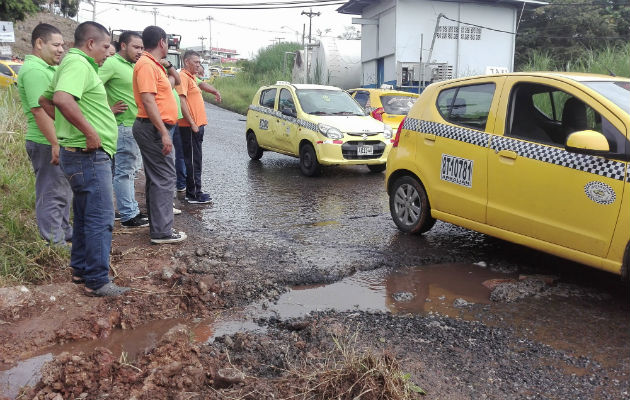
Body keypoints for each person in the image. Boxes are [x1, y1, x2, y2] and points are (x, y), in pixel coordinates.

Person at [39, 21, 129, 297]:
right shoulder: (78, 64)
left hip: (80, 155)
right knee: (101, 218)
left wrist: (69, 127)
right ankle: (97, 281)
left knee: (85, 216)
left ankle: (80, 269)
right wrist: (89, 133)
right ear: (91, 44)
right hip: (88, 156)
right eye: (105, 47)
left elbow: (46, 101)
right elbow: (62, 100)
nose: (107, 53)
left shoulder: (72, 64)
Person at [17, 23, 72, 246]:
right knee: (51, 192)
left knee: (62, 192)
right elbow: (39, 111)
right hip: (46, 141)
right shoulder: (35, 71)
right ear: (39, 44)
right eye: (56, 45)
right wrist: (55, 142)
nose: (61, 49)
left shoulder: (46, 69)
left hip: (54, 140)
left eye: (63, 45)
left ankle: (64, 234)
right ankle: (54, 242)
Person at [132, 26, 186, 244]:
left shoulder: (154, 66)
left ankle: (158, 226)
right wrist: (163, 132)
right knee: (164, 178)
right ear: (162, 42)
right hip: (154, 129)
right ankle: (162, 231)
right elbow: (147, 100)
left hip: (155, 128)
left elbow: (175, 83)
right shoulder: (146, 65)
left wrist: (170, 67)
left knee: (157, 178)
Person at [99, 31, 149, 228]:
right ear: (122, 46)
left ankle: (126, 209)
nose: (140, 51)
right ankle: (129, 215)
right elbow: (91, 87)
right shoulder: (112, 64)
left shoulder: (134, 65)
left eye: (142, 48)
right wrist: (107, 109)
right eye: (136, 47)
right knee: (125, 171)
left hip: (133, 125)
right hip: (124, 126)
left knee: (125, 170)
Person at [177, 50, 221, 204]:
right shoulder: (182, 77)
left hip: (196, 125)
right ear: (187, 62)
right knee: (193, 160)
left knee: (196, 159)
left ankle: (194, 191)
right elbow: (181, 101)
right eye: (196, 62)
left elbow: (201, 84)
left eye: (199, 62)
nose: (198, 65)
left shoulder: (191, 77)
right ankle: (194, 194)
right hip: (190, 126)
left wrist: (214, 91)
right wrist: (192, 123)